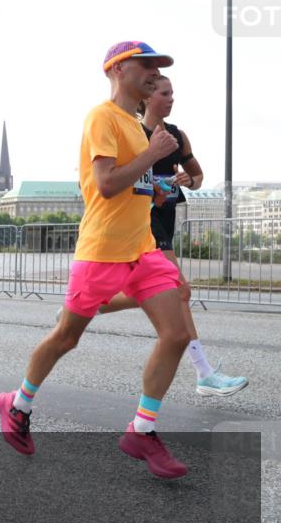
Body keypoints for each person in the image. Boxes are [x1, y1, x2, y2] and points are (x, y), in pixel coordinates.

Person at [0, 41, 191, 480]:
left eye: (157, 69)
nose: (154, 75)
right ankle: (19, 402)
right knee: (66, 337)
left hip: (142, 248)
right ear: (119, 69)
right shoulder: (102, 117)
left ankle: (142, 429)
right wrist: (152, 155)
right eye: (147, 66)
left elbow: (133, 184)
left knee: (176, 331)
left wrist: (154, 187)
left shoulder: (140, 127)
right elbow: (104, 184)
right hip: (102, 251)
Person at [97, 75, 248, 397]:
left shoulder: (177, 135)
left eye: (172, 93)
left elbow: (197, 176)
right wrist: (149, 178)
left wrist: (186, 180)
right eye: (165, 93)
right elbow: (115, 177)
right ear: (148, 97)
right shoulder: (132, 132)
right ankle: (205, 374)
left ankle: (95, 305)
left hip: (166, 215)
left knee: (165, 292)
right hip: (142, 216)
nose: (171, 98)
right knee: (178, 290)